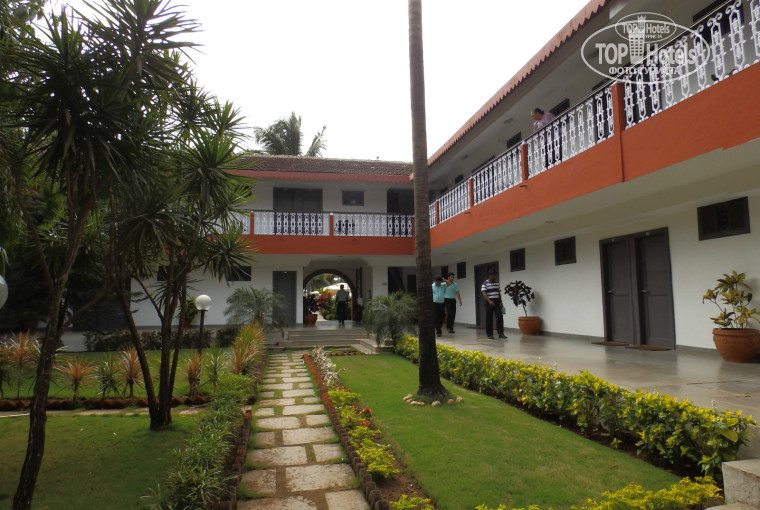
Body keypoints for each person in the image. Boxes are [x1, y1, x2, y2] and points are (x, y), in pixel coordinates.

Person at [481, 269, 507, 340]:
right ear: (489, 276)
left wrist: (501, 302)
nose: (494, 277)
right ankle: (489, 334)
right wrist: (489, 301)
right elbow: (484, 293)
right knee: (489, 318)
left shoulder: (497, 283)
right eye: (492, 276)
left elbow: (499, 293)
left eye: (495, 276)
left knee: (499, 317)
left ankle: (501, 333)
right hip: (488, 302)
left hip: (497, 302)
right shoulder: (485, 283)